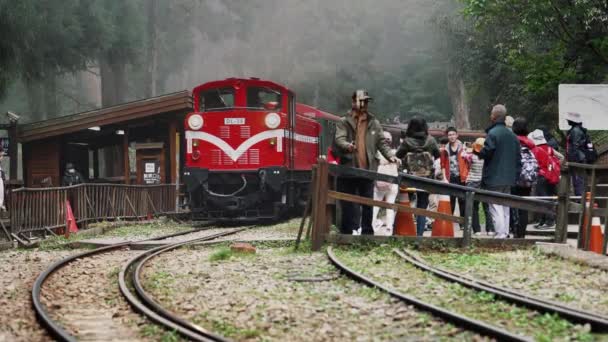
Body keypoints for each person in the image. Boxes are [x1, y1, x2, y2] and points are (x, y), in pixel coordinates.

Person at [334, 89, 399, 235]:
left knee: (368, 203)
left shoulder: (373, 122)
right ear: (353, 102)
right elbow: (339, 138)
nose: (364, 104)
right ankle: (346, 233)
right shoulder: (343, 121)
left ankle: (367, 233)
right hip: (348, 169)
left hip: (367, 170)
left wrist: (391, 157)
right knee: (347, 203)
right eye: (361, 101)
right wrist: (347, 146)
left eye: (366, 101)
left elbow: (382, 143)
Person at [478, 105, 521, 239]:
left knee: (495, 206)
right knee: (505, 205)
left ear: (494, 116)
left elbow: (488, 152)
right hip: (509, 177)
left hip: (494, 176)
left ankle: (500, 234)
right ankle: (506, 232)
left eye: (491, 114)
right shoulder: (513, 136)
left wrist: (477, 151)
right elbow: (518, 157)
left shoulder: (493, 134)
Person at [396, 116, 440, 236]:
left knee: (406, 203)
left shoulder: (407, 141)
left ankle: (404, 231)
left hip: (409, 177)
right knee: (422, 206)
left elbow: (398, 155)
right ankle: (419, 235)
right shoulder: (431, 140)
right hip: (426, 177)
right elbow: (438, 154)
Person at [529, 129, 563, 228]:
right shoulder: (549, 148)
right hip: (551, 176)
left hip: (541, 176)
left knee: (542, 199)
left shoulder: (534, 150)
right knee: (548, 197)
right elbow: (561, 157)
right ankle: (544, 220)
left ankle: (550, 220)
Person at [511, 117, 538, 238]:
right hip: (527, 179)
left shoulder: (512, 141)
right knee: (524, 208)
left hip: (514, 178)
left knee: (512, 205)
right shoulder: (531, 144)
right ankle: (522, 234)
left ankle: (514, 231)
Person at [372, 131, 399, 235]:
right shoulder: (395, 152)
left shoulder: (376, 152)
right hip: (393, 181)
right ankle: (389, 229)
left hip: (379, 181)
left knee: (375, 205)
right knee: (390, 206)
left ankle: (372, 225)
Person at [566, 112, 597, 195]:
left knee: (578, 180)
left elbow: (575, 146)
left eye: (569, 119)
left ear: (573, 120)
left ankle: (579, 199)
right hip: (579, 157)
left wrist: (572, 160)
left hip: (578, 159)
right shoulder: (576, 129)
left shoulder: (575, 131)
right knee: (579, 180)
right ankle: (580, 198)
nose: (567, 120)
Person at [440, 127, 468, 216]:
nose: (451, 137)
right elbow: (442, 164)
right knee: (451, 200)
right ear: (447, 137)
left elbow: (468, 163)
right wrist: (444, 178)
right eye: (449, 135)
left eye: (453, 134)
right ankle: (449, 223)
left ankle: (462, 223)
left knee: (462, 200)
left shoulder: (463, 147)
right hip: (450, 177)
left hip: (461, 177)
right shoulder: (445, 149)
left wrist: (467, 176)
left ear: (457, 135)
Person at [462, 138, 487, 235]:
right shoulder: (486, 158)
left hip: (471, 182)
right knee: (486, 206)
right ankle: (490, 229)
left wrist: (466, 148)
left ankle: (477, 230)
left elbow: (463, 155)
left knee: (473, 206)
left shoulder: (471, 156)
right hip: (482, 182)